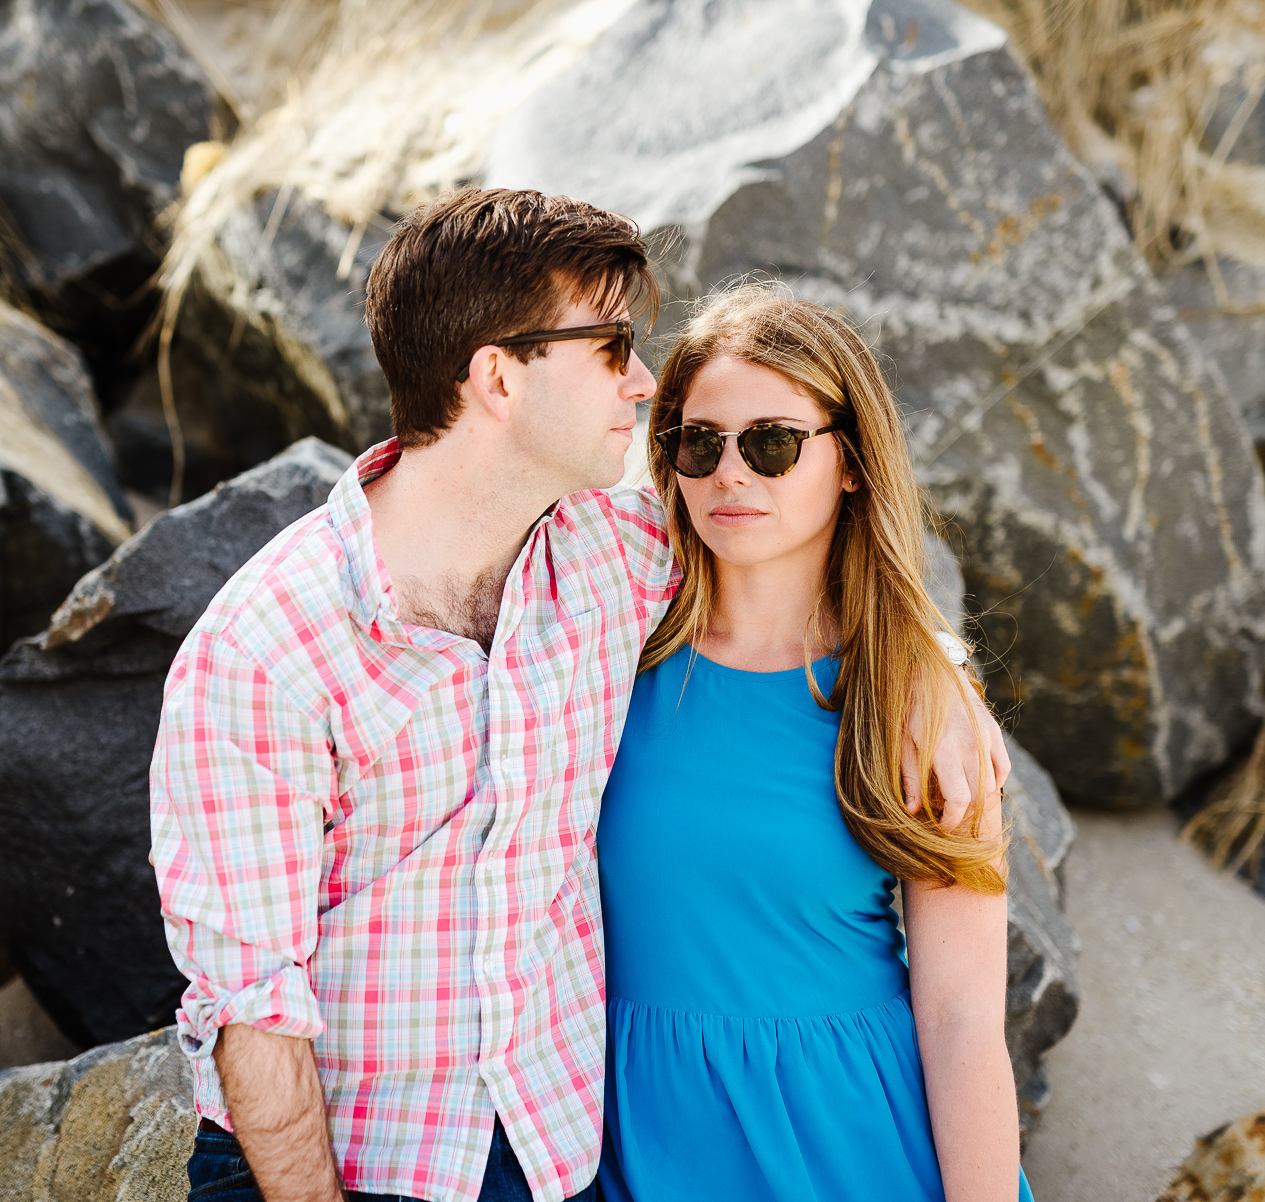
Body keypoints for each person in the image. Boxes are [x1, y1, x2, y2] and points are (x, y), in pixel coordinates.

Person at [149, 189, 1011, 1202]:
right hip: (342, 1158)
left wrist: (935, 666)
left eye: (633, 352)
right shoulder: (265, 647)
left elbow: (793, 566)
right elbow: (252, 1007)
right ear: (500, 378)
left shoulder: (607, 557)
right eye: (608, 348)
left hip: (552, 1153)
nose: (641, 381)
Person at [597, 285, 1030, 1202]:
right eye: (698, 441)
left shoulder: (907, 702)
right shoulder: (603, 655)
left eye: (772, 443)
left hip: (858, 1149)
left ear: (851, 463)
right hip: (636, 1139)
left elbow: (959, 1019)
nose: (730, 473)